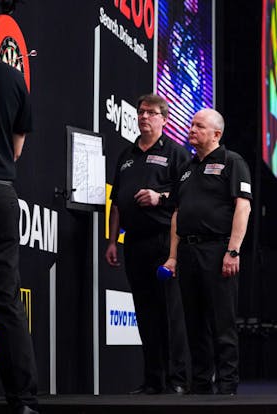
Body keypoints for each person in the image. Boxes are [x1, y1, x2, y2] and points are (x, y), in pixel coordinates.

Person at [161, 108, 252, 395]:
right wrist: (173, 256)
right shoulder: (187, 168)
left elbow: (243, 206)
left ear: (216, 134)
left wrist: (233, 251)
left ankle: (227, 385)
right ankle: (200, 383)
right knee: (193, 322)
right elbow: (177, 213)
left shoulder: (231, 161)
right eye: (191, 125)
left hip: (217, 250)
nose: (191, 129)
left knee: (222, 321)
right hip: (188, 252)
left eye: (199, 126)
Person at [105, 94, 191, 395]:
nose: (143, 117)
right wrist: (113, 241)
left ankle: (177, 380)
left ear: (164, 119)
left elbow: (187, 198)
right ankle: (153, 380)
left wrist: (160, 198)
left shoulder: (176, 154)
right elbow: (116, 203)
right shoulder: (126, 156)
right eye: (140, 112)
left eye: (150, 113)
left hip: (165, 242)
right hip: (134, 243)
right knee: (144, 312)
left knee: (170, 311)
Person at [0, 2, 39, 413]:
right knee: (6, 299)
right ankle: (22, 401)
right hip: (0, 191)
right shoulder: (13, 80)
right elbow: (16, 149)